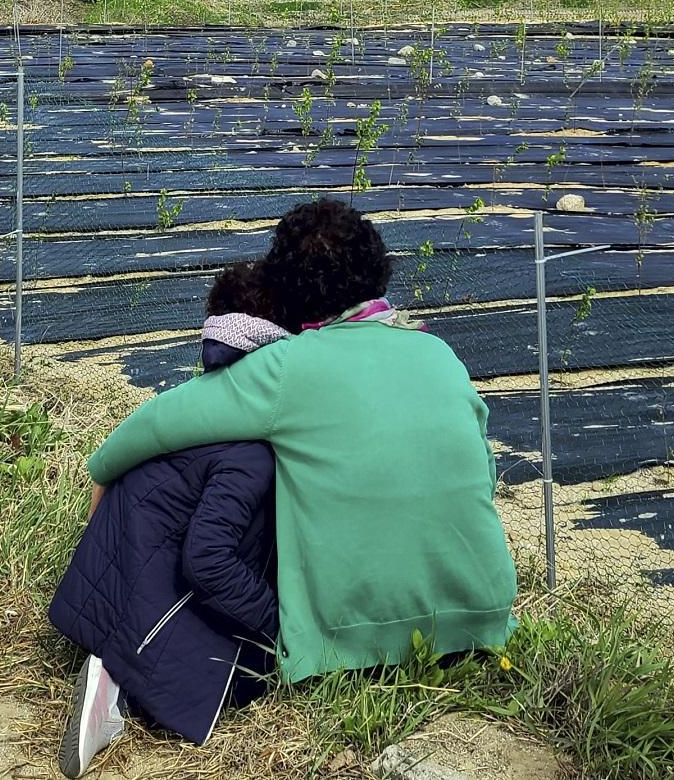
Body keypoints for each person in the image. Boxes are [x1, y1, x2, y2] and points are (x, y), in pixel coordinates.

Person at [88, 199, 517, 685]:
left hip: (352, 640)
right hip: (483, 616)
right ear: (378, 270)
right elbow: (484, 471)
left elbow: (162, 421)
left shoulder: (288, 365)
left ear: (285, 286)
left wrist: (102, 471)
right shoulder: (438, 352)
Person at [50, 260, 287, 779]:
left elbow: (108, 475)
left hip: (113, 576)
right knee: (255, 674)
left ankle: (111, 662)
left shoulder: (188, 407)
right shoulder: (252, 450)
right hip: (152, 599)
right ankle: (116, 691)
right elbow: (207, 559)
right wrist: (278, 624)